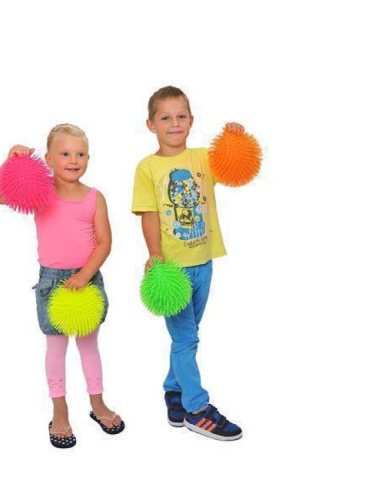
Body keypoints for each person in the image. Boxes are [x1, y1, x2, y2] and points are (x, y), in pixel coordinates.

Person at [0, 123, 124, 448]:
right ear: (48, 158)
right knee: (56, 349)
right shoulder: (39, 193)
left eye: (80, 154)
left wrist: (84, 275)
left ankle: (97, 403)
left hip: (87, 280)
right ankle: (59, 410)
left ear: (88, 157)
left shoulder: (95, 198)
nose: (73, 160)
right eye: (65, 154)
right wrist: (10, 161)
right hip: (52, 282)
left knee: (89, 346)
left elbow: (104, 242)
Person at [132, 86, 245, 441]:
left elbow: (233, 168)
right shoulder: (148, 167)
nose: (174, 123)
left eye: (181, 116)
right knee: (186, 339)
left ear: (192, 121)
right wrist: (154, 253)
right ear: (151, 124)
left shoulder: (203, 159)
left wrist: (234, 138)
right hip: (173, 272)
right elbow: (149, 214)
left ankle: (174, 389)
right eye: (165, 117)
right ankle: (196, 408)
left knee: (187, 335)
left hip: (204, 262)